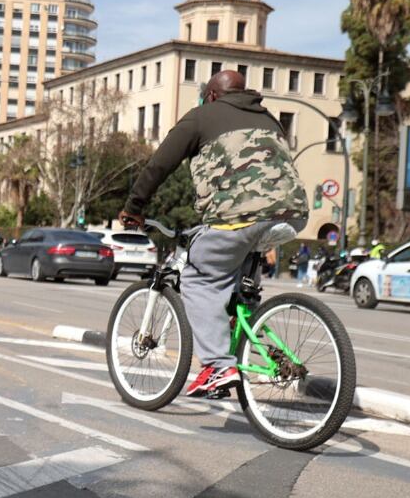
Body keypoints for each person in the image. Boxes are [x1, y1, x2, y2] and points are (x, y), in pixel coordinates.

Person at [120, 70, 308, 398]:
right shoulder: (270, 119)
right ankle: (249, 350)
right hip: (293, 214)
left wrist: (134, 206)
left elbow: (160, 164)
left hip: (240, 214)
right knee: (237, 292)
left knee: (199, 278)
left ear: (212, 96)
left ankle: (219, 367)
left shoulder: (201, 116)